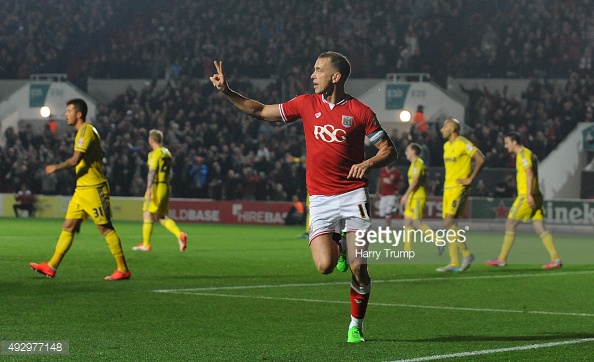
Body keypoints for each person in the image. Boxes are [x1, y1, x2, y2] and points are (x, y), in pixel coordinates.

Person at [210, 51, 398, 343]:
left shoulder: (361, 112)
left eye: (318, 70)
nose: (312, 75)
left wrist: (369, 163)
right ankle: (338, 240)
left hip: (354, 195)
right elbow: (260, 111)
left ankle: (355, 325)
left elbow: (389, 150)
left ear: (335, 77)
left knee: (360, 268)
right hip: (321, 198)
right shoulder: (305, 104)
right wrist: (227, 92)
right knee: (324, 267)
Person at [30, 98, 130, 280]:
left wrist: (55, 167)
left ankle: (122, 269)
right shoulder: (85, 132)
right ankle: (51, 266)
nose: (65, 114)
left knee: (105, 228)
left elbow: (75, 160)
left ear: (79, 114)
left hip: (94, 188)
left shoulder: (86, 131)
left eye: (69, 111)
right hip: (81, 189)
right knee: (68, 225)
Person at [485, 132, 562, 269]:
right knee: (540, 227)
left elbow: (529, 173)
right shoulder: (527, 153)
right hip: (536, 195)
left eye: (507, 142)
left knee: (510, 224)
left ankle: (501, 259)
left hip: (526, 197)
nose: (505, 145)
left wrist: (528, 195)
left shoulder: (523, 154)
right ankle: (555, 259)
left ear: (515, 142)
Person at [437, 118, 485, 272]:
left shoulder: (463, 142)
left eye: (444, 127)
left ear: (452, 129)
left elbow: (480, 159)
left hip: (459, 188)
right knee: (451, 225)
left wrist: (470, 179)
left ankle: (467, 254)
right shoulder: (446, 146)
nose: (441, 130)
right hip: (447, 188)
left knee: (449, 222)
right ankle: (454, 262)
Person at [132, 129, 187, 252]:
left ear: (151, 140)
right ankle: (180, 235)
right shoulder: (167, 153)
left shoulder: (154, 153)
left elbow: (152, 172)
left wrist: (149, 188)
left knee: (147, 213)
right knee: (161, 216)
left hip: (156, 186)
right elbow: (170, 172)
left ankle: (146, 244)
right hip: (166, 186)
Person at [399, 143, 436, 253]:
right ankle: (407, 249)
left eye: (407, 150)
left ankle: (438, 241)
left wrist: (405, 195)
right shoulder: (413, 164)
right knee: (407, 222)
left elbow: (415, 181)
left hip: (418, 197)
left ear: (413, 152)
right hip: (412, 197)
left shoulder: (418, 163)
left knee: (417, 223)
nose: (406, 152)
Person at [374, 162, 401, 227]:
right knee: (381, 213)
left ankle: (387, 228)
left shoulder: (396, 172)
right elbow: (380, 180)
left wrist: (398, 190)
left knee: (388, 212)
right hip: (384, 194)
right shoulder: (383, 170)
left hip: (392, 194)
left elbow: (401, 183)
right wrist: (378, 191)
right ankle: (395, 210)